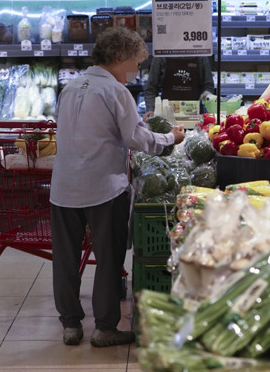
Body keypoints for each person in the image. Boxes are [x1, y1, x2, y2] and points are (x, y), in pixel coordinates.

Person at [49, 27, 185, 347]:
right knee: (108, 259)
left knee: (65, 259)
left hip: (63, 187)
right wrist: (170, 139)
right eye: (136, 64)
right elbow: (136, 138)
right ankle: (105, 328)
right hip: (102, 188)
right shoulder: (115, 92)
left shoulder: (69, 88)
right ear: (120, 58)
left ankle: (70, 325)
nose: (137, 72)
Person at [143, 56, 215, 120]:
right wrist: (151, 109)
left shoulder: (201, 56)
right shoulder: (161, 56)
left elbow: (208, 85)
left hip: (195, 117)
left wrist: (207, 93)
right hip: (167, 118)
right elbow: (151, 88)